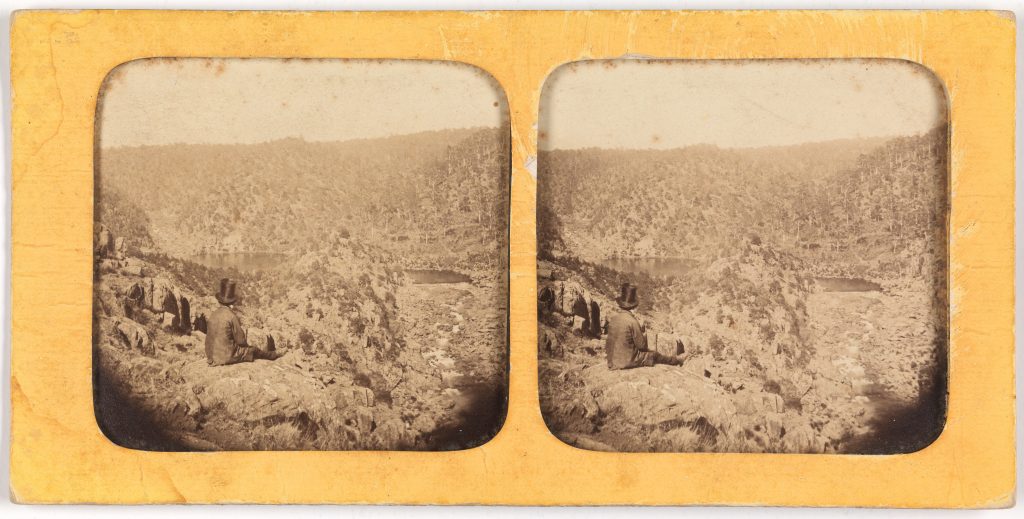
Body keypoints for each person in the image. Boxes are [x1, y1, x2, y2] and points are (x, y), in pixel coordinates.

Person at [605, 283, 684, 370]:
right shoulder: (632, 321)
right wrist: (643, 335)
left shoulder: (613, 319)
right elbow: (641, 346)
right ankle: (676, 361)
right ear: (633, 307)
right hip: (627, 361)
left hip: (611, 361)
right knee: (654, 355)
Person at [205, 278, 279, 366]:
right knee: (253, 350)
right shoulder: (231, 316)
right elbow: (241, 341)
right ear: (232, 303)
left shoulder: (213, 314)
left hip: (210, 356)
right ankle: (273, 355)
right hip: (225, 356)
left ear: (220, 301)